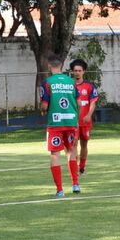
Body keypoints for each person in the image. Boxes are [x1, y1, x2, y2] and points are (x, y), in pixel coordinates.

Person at [40, 53, 83, 196]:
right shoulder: (71, 82)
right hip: (70, 121)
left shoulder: (47, 83)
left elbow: (44, 106)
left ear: (49, 66)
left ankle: (60, 190)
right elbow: (79, 103)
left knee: (55, 155)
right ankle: (75, 184)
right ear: (61, 66)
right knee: (71, 152)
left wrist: (42, 109)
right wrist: (77, 119)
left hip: (55, 123)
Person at [70, 58, 99, 175]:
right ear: (72, 72)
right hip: (73, 122)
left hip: (86, 121)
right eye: (75, 70)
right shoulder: (69, 86)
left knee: (84, 144)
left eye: (79, 70)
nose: (77, 72)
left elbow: (93, 102)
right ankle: (75, 168)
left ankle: (82, 167)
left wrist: (88, 114)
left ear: (83, 72)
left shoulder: (89, 86)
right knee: (74, 144)